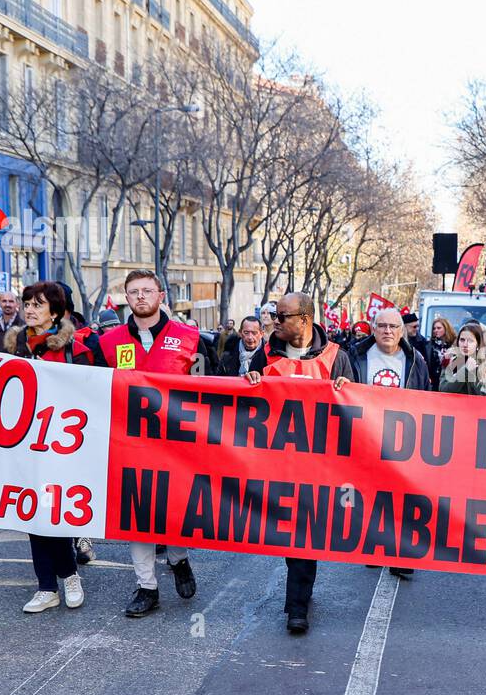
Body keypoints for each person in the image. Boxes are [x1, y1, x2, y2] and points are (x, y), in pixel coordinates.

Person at [100, 269, 214, 618]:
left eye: (147, 290)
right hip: (129, 442)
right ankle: (146, 586)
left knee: (174, 510)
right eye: (133, 292)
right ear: (126, 298)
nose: (140, 297)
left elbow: (216, 384)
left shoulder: (190, 337)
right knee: (137, 515)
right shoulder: (108, 342)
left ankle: (179, 559)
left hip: (178, 443)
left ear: (161, 295)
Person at [241, 292, 355, 634]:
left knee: (304, 534)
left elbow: (359, 408)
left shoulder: (338, 357)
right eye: (275, 316)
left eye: (282, 316)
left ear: (303, 320)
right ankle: (299, 591)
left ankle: (297, 606)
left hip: (318, 464)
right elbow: (245, 398)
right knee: (288, 534)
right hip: (277, 462)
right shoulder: (265, 353)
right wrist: (251, 382)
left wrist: (348, 390)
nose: (274, 322)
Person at [3, 282, 92, 613]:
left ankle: (69, 576)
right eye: (27, 303)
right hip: (24, 442)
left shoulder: (76, 349)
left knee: (54, 512)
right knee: (31, 512)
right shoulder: (12, 348)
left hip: (63, 444)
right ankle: (45, 586)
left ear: (55, 312)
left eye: (38, 304)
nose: (29, 309)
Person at [341, 308, 430, 580]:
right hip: (367, 437)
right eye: (382, 326)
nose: (387, 331)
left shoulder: (416, 361)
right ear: (373, 328)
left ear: (401, 331)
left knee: (401, 498)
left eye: (393, 326)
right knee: (371, 495)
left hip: (404, 440)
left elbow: (427, 398)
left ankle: (400, 555)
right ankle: (374, 546)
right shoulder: (355, 357)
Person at [438, 321, 486, 396]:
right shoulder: (449, 359)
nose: (465, 344)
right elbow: (443, 390)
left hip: (481, 407)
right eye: (462, 340)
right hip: (454, 407)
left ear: (478, 343)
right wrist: (465, 371)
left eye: (470, 341)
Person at [427, 317, 456, 390]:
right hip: (433, 383)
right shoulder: (429, 345)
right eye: (434, 328)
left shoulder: (455, 344)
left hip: (449, 382)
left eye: (439, 328)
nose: (435, 330)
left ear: (446, 329)